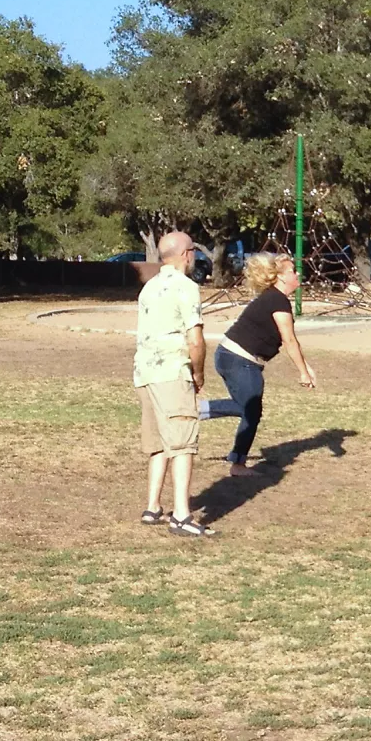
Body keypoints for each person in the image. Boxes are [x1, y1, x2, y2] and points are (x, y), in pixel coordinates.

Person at [200, 253, 317, 474]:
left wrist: (305, 366)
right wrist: (302, 372)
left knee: (249, 409)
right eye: (293, 271)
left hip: (232, 356)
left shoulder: (273, 298)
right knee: (250, 409)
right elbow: (289, 339)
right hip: (239, 359)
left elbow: (290, 342)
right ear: (281, 278)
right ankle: (236, 462)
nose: (298, 273)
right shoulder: (277, 300)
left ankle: (200, 415)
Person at [134, 230, 213, 537]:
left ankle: (153, 507)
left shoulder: (149, 287)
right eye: (193, 250)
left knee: (158, 443)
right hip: (171, 372)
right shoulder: (186, 287)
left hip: (145, 374)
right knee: (182, 442)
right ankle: (181, 514)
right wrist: (198, 374)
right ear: (186, 254)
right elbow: (195, 339)